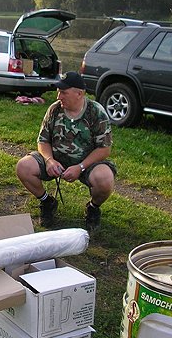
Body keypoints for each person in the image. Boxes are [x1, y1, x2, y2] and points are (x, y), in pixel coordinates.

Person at [15, 71, 116, 230]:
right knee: (23, 167)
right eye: (58, 92)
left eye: (63, 92)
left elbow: (104, 149)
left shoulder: (96, 112)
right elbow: (43, 141)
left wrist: (80, 167)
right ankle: (47, 201)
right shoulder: (55, 109)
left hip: (86, 164)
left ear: (79, 94)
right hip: (56, 160)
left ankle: (93, 208)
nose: (58, 97)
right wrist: (49, 160)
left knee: (105, 179)